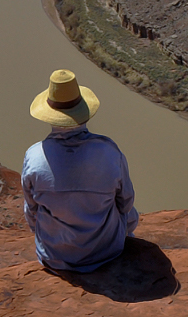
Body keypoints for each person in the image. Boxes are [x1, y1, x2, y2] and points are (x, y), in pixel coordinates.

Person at [21, 69, 139, 272]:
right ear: (84, 112)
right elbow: (126, 201)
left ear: (49, 116)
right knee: (131, 213)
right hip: (107, 251)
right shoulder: (109, 151)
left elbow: (31, 211)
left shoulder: (34, 156)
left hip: (53, 256)